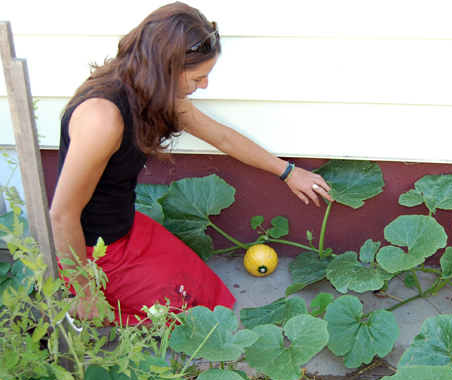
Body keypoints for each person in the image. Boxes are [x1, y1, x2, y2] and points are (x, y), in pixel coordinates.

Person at [49, 2, 332, 325]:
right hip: (95, 252)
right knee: (187, 319)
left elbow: (222, 137)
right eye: (199, 76)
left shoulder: (152, 95)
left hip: (127, 228)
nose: (205, 86)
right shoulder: (102, 119)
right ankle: (70, 306)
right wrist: (86, 290)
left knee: (207, 298)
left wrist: (288, 172)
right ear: (165, 69)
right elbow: (61, 215)